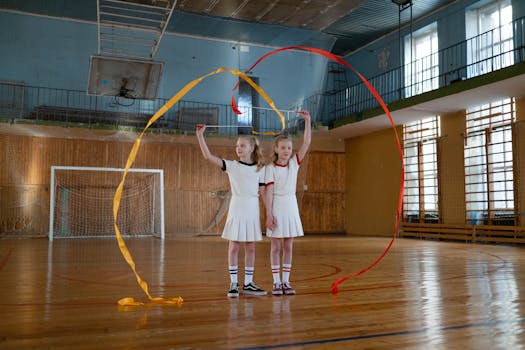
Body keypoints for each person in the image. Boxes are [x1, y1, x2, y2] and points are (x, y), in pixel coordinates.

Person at [196, 124, 268, 297]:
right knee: (234, 245)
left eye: (242, 145)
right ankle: (234, 284)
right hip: (237, 207)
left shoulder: (261, 168)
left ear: (251, 148)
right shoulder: (232, 166)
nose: (238, 149)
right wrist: (200, 135)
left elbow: (264, 192)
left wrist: (271, 213)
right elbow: (207, 156)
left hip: (252, 208)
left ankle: (249, 284)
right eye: (237, 146)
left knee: (250, 247)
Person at [264, 111, 311, 295]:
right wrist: (269, 214)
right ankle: (276, 282)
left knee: (288, 245)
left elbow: (306, 143)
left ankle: (286, 281)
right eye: (283, 148)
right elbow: (268, 193)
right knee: (276, 246)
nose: (287, 151)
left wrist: (307, 121)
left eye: (289, 148)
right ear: (276, 149)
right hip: (276, 207)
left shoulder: (294, 164)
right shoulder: (270, 169)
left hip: (291, 206)